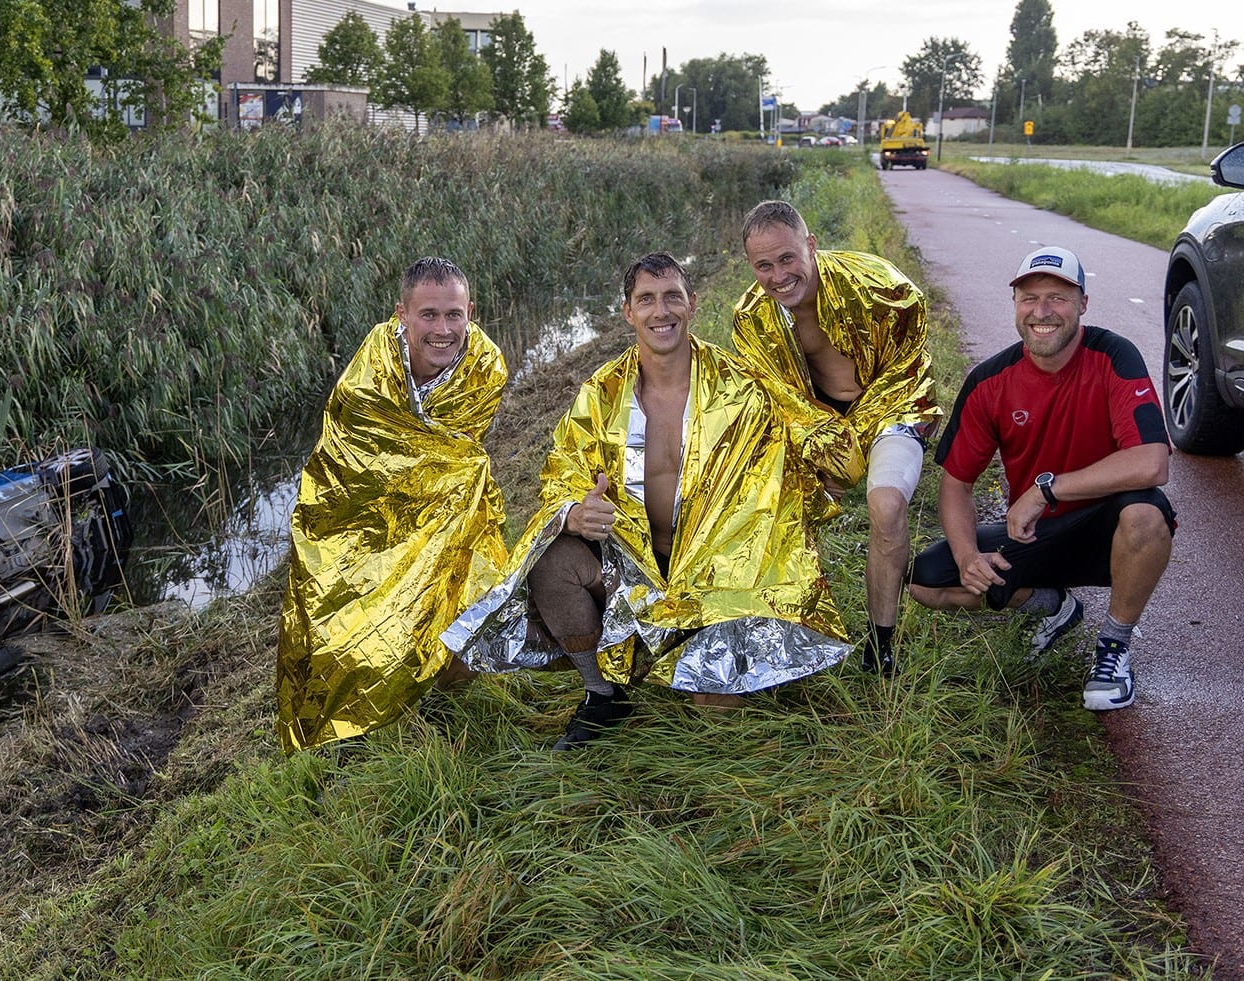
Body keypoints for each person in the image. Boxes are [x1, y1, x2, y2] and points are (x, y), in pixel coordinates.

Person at [443, 252, 863, 750]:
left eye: (671, 298)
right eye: (646, 299)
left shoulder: (743, 386)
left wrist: (831, 471)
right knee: (551, 559)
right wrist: (576, 512)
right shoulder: (601, 393)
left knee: (715, 707)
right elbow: (562, 473)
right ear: (628, 312)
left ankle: (699, 648)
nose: (660, 311)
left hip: (717, 574)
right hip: (634, 569)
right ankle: (602, 694)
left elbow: (821, 443)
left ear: (692, 306)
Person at [906, 246, 1175, 710]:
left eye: (1057, 297)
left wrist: (1046, 488)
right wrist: (969, 554)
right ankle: (1051, 605)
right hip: (1035, 537)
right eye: (1029, 298)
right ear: (1015, 305)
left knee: (1147, 512)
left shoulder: (1114, 355)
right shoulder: (991, 379)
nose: (1042, 311)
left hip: (1104, 531)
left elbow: (1153, 462)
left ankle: (1113, 646)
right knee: (927, 579)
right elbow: (957, 483)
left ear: (1083, 304)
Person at [276, 257, 508, 751]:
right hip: (355, 510)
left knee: (463, 583)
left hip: (442, 509)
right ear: (401, 314)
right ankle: (341, 722)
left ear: (472, 312)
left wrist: (449, 479)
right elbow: (352, 453)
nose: (442, 330)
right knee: (338, 607)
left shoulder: (485, 370)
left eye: (453, 315)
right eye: (428, 315)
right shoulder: (370, 377)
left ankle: (443, 700)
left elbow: (457, 461)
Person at [732, 200, 942, 675]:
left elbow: (905, 375)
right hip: (819, 420)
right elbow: (778, 400)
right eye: (764, 265)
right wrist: (830, 449)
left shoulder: (884, 288)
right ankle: (782, 630)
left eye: (787, 259)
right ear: (750, 266)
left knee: (886, 504)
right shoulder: (751, 318)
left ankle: (880, 642)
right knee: (768, 503)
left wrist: (851, 448)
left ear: (810, 245)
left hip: (893, 403)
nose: (779, 276)